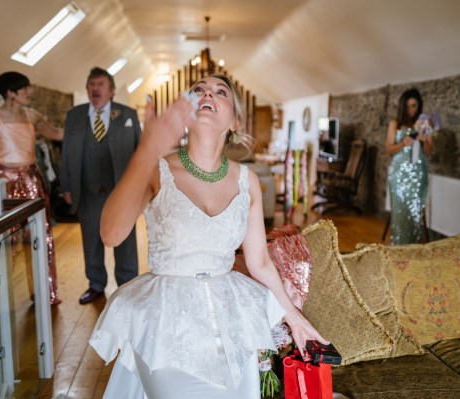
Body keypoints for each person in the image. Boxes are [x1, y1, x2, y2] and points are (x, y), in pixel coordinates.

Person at [89, 74, 328, 398]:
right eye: (198, 90)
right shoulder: (156, 169)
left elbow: (259, 262)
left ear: (234, 120)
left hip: (230, 322)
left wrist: (295, 320)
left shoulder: (247, 181)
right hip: (166, 324)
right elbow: (111, 234)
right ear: (186, 114)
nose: (206, 94)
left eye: (220, 92)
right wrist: (148, 147)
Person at [0, 71, 64, 305]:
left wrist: (89, 131)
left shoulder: (33, 115)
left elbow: (56, 133)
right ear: (11, 93)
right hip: (4, 184)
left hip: (33, 180)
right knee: (6, 240)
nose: (30, 92)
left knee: (43, 236)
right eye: (25, 88)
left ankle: (46, 292)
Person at [60, 67, 141, 305]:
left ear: (112, 90)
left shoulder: (128, 115)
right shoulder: (74, 116)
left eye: (100, 84)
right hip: (86, 190)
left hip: (122, 190)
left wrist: (141, 187)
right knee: (91, 238)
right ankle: (96, 284)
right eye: (91, 84)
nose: (95, 88)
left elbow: (139, 152)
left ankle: (128, 284)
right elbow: (66, 153)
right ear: (87, 89)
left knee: (125, 238)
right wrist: (66, 185)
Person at [386, 88, 434, 245]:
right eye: (408, 106)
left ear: (419, 106)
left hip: (418, 175)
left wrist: (425, 139)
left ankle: (412, 251)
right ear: (402, 106)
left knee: (414, 214)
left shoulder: (424, 123)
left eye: (414, 106)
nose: (411, 110)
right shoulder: (395, 123)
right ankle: (396, 250)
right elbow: (388, 150)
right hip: (399, 175)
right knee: (400, 213)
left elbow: (428, 152)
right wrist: (402, 143)